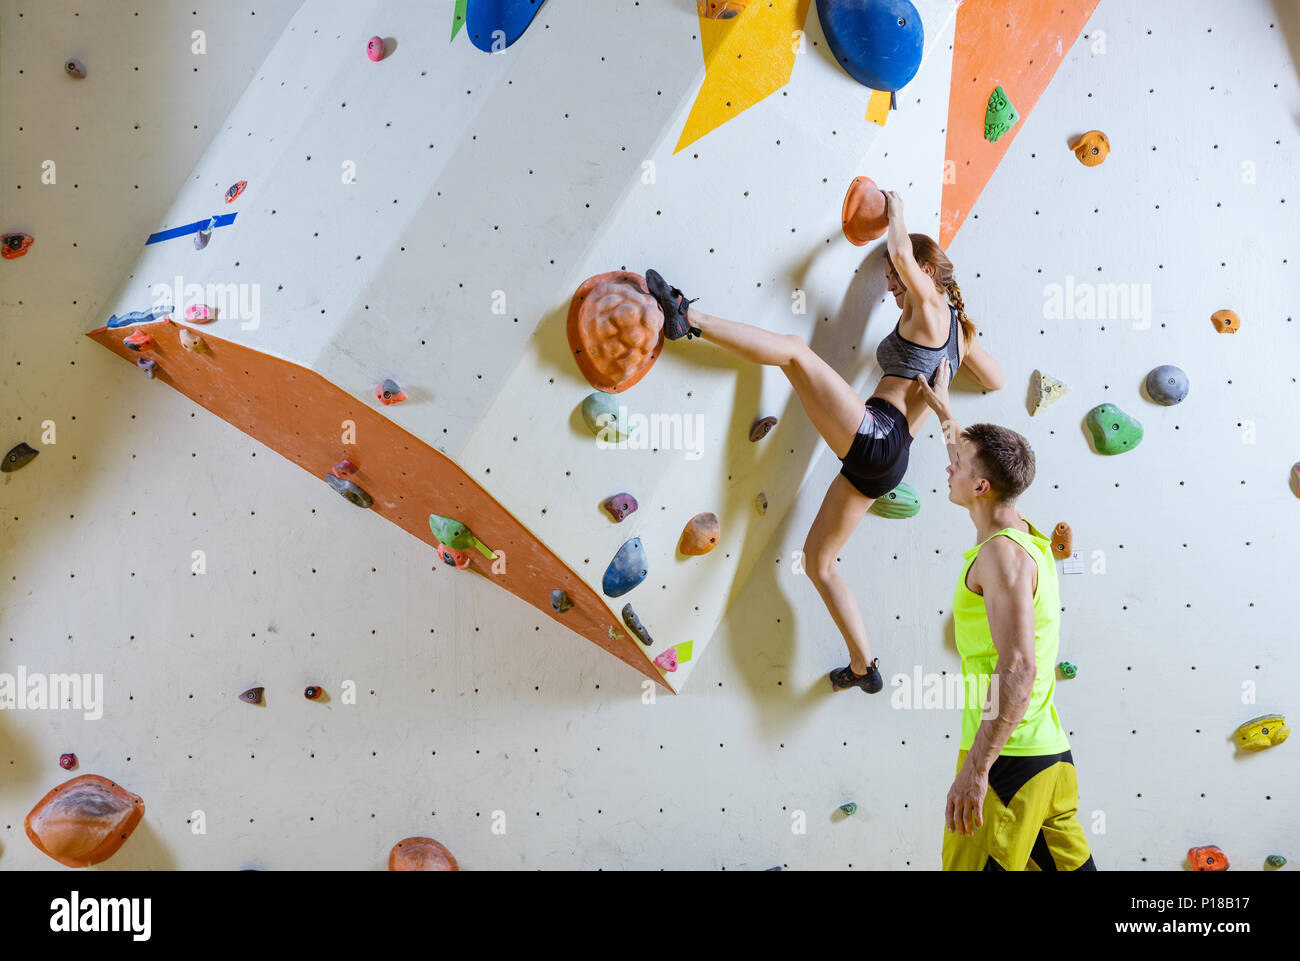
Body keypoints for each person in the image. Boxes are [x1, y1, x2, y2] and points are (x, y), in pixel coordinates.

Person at [645, 191, 1004, 694]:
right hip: (888, 458)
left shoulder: (932, 310)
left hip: (879, 436)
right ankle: (864, 667)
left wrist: (896, 212)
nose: (892, 289)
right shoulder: (960, 333)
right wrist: (954, 372)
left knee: (795, 352)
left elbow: (902, 255)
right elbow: (998, 380)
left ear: (922, 270)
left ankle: (687, 319)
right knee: (818, 562)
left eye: (894, 281)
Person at [914, 359, 1097, 871]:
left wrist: (976, 770)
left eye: (958, 465)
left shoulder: (1000, 554)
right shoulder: (1025, 536)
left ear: (981, 488)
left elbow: (1018, 667)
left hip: (1006, 762)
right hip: (1048, 757)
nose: (948, 467)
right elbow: (972, 461)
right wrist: (943, 409)